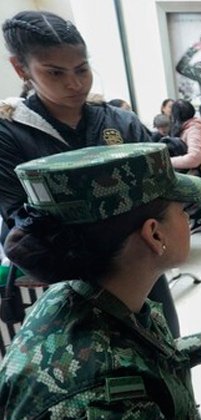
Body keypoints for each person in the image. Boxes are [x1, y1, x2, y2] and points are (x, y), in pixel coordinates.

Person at [0, 143, 201, 418]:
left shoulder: (74, 294)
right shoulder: (101, 399)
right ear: (154, 234)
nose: (187, 219)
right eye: (182, 211)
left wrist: (197, 347)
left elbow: (129, 349)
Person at [0, 10, 182, 337]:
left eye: (82, 69)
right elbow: (20, 223)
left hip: (142, 274)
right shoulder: (11, 134)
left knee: (166, 351)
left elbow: (163, 199)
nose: (75, 83)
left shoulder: (120, 123)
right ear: (21, 68)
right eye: (55, 72)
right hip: (71, 288)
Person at [169, 99, 201, 179]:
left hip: (195, 181)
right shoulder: (184, 127)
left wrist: (167, 162)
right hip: (188, 178)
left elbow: (194, 158)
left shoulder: (195, 129)